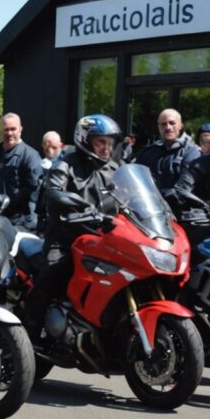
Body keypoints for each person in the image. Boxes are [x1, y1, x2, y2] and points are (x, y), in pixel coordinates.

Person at [20, 114, 124, 339]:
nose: (106, 148)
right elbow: (53, 192)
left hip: (103, 238)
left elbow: (131, 194)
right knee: (52, 274)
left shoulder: (114, 168)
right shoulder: (65, 164)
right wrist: (64, 201)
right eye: (100, 142)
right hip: (67, 237)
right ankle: (29, 337)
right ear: (85, 141)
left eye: (109, 143)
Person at [0, 113, 43, 229]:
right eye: (6, 129)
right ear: (1, 130)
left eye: (13, 129)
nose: (9, 133)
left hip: (19, 222)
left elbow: (35, 192)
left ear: (20, 130)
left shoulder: (30, 155)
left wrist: (30, 221)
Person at [132, 108, 201, 195]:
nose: (168, 127)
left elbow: (184, 187)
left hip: (180, 206)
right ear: (158, 126)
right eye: (163, 124)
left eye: (172, 123)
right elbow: (134, 177)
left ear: (180, 126)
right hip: (149, 205)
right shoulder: (148, 152)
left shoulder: (191, 152)